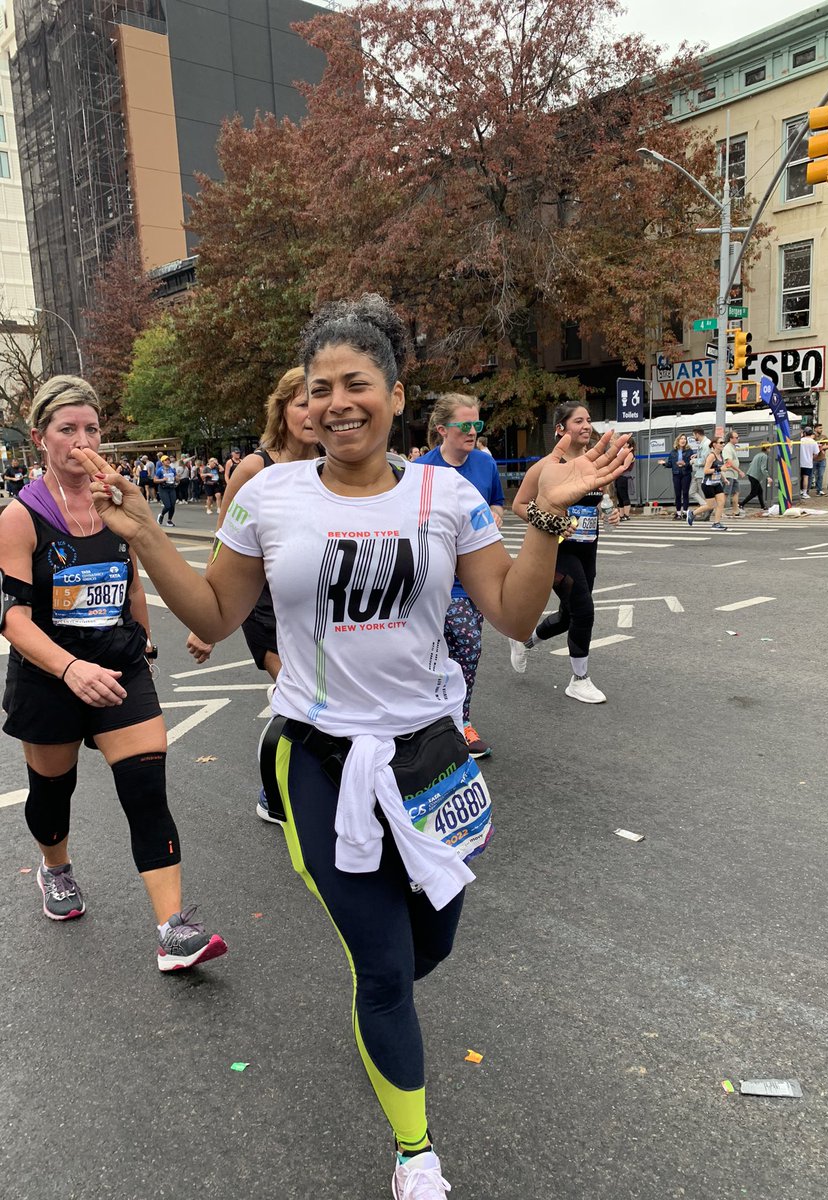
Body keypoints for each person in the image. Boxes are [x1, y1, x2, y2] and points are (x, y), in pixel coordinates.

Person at [78, 295, 631, 1199]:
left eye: (357, 384)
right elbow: (216, 614)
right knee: (381, 968)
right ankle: (417, 1154)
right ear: (304, 402)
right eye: (321, 387)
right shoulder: (270, 495)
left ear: (395, 394)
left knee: (429, 950)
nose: (338, 402)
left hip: (428, 761)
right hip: (320, 761)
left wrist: (547, 519)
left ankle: (385, 1013)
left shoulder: (446, 496)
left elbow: (516, 614)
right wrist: (142, 535)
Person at [0, 375, 226, 971]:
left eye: (92, 429)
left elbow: (128, 582)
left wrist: (145, 642)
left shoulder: (119, 499)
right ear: (40, 438)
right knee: (53, 796)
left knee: (146, 790)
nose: (82, 441)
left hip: (119, 664)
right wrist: (70, 668)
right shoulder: (22, 518)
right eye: (67, 429)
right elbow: (12, 619)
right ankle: (56, 869)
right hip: (50, 672)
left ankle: (174, 929)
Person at [185, 366, 321, 821]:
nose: (310, 412)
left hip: (315, 602)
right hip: (262, 603)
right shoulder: (255, 467)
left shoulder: (334, 462)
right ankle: (273, 791)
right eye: (300, 403)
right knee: (297, 694)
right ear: (281, 410)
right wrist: (206, 623)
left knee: (319, 702)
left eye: (315, 401)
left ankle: (314, 785)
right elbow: (224, 541)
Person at [508, 401, 618, 703]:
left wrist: (612, 512)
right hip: (556, 548)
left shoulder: (592, 462)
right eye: (578, 421)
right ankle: (579, 679)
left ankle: (525, 640)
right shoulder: (546, 467)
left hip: (587, 546)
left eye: (589, 420)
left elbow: (600, 499)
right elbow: (519, 504)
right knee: (584, 609)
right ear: (561, 429)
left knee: (570, 615)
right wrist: (550, 521)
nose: (586, 426)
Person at [419, 395, 504, 759]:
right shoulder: (422, 470)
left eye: (477, 425)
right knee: (436, 654)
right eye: (464, 426)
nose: (472, 432)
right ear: (442, 430)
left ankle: (460, 720)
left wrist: (495, 517)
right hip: (434, 582)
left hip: (475, 581)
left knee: (466, 653)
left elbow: (497, 501)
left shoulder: (485, 464)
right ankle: (431, 725)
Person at [687, 435, 728, 529]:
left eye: (723, 442)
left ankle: (716, 523)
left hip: (717, 483)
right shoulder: (711, 456)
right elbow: (706, 471)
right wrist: (719, 469)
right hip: (708, 484)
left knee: (721, 502)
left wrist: (724, 478)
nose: (723, 444)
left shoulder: (721, 456)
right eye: (721, 443)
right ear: (714, 444)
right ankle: (692, 513)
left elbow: (719, 470)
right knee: (710, 505)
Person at [664, 434, 693, 519]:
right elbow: (670, 464)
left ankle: (685, 512)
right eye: (681, 439)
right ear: (678, 440)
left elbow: (691, 463)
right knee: (677, 494)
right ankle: (678, 513)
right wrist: (664, 463)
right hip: (676, 474)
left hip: (686, 474)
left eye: (685, 439)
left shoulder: (689, 451)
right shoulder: (673, 452)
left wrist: (685, 464)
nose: (683, 440)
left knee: (685, 493)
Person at [688, 425, 712, 520]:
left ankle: (707, 508)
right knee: (692, 492)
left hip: (702, 474)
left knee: (701, 494)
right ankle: (706, 507)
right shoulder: (704, 443)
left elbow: (705, 461)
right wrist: (696, 456)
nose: (694, 437)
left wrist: (694, 461)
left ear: (697, 434)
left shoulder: (706, 444)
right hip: (698, 473)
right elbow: (703, 457)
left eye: (694, 435)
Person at [740, 444, 772, 511]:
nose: (770, 450)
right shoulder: (764, 456)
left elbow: (751, 464)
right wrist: (768, 477)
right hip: (755, 476)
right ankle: (741, 504)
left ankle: (763, 507)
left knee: (760, 491)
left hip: (751, 474)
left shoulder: (758, 455)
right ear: (766, 449)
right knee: (753, 493)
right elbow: (763, 468)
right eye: (769, 448)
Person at [721, 429, 745, 518]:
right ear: (731, 439)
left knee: (736, 492)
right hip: (729, 474)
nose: (738, 439)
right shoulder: (727, 448)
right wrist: (739, 471)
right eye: (736, 437)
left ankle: (736, 511)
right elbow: (729, 463)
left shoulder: (732, 447)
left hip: (734, 475)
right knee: (725, 493)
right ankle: (720, 511)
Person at [154, 453, 177, 527]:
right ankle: (161, 515)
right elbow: (155, 480)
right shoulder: (159, 470)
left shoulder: (172, 469)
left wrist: (177, 478)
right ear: (162, 462)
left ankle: (169, 520)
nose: (168, 461)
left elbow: (177, 477)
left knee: (172, 505)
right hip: (163, 488)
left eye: (168, 460)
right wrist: (162, 479)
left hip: (171, 488)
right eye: (166, 460)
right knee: (167, 506)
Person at [615, 439, 634, 519]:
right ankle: (621, 514)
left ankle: (626, 514)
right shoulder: (623, 452)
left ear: (629, 444)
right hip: (618, 475)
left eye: (625, 443)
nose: (623, 444)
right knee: (619, 496)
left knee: (624, 495)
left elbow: (625, 466)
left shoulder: (630, 454)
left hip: (624, 476)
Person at [798, 427, 818, 499]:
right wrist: (811, 458)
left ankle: (798, 491)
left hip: (799, 461)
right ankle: (804, 492)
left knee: (798, 477)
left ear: (804, 433)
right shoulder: (813, 442)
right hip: (808, 462)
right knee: (805, 477)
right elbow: (816, 453)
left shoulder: (800, 440)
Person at [811, 423, 828, 496]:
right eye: (819, 428)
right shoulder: (812, 436)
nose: (821, 430)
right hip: (813, 459)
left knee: (820, 475)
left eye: (821, 428)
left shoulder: (824, 437)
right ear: (815, 429)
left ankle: (819, 490)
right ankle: (806, 490)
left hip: (822, 459)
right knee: (810, 475)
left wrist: (823, 448)